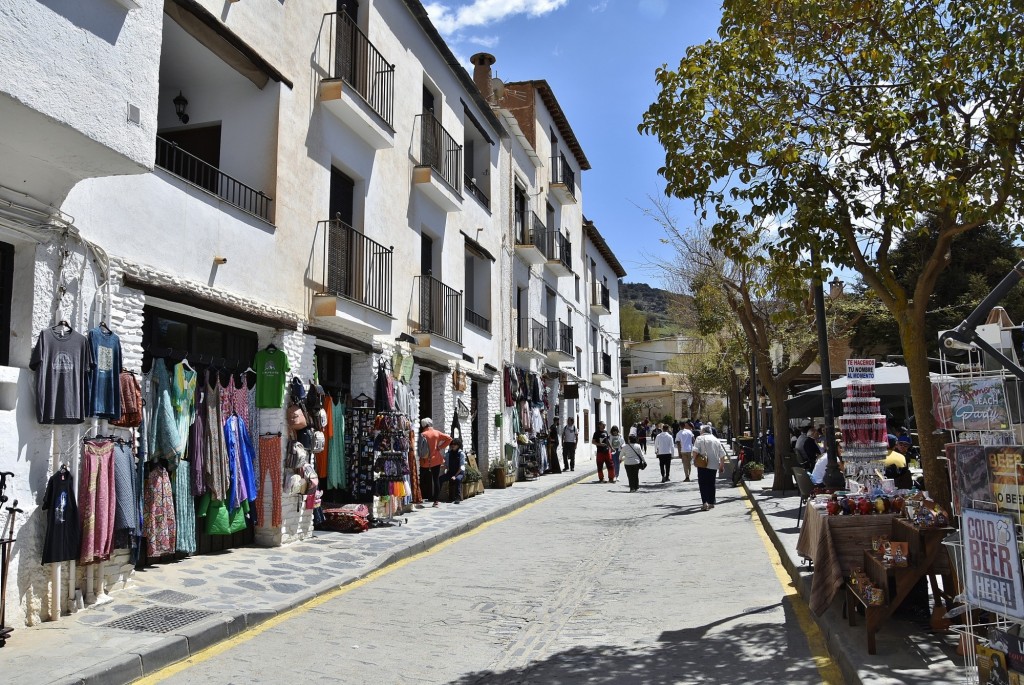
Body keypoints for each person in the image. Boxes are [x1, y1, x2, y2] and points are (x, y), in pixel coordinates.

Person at [418, 418, 453, 507]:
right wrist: (440, 447)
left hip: (424, 461)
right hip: (435, 460)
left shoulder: (422, 434)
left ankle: (419, 498)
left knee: (421, 480)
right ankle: (436, 501)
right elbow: (449, 439)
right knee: (436, 479)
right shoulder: (436, 433)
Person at [692, 424, 727, 511]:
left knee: (703, 484)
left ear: (703, 431)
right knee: (711, 483)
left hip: (702, 464)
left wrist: (694, 460)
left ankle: (705, 502)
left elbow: (695, 451)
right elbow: (722, 455)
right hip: (714, 465)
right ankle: (711, 502)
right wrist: (721, 466)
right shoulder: (716, 440)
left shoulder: (699, 438)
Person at [438, 438, 467, 504]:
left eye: (455, 444)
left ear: (458, 445)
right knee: (440, 479)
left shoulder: (461, 454)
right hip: (450, 472)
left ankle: (457, 497)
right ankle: (436, 496)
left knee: (457, 479)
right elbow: (446, 465)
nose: (453, 445)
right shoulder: (448, 453)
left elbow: (461, 467)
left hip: (459, 473)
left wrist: (455, 476)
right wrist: (441, 466)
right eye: (452, 444)